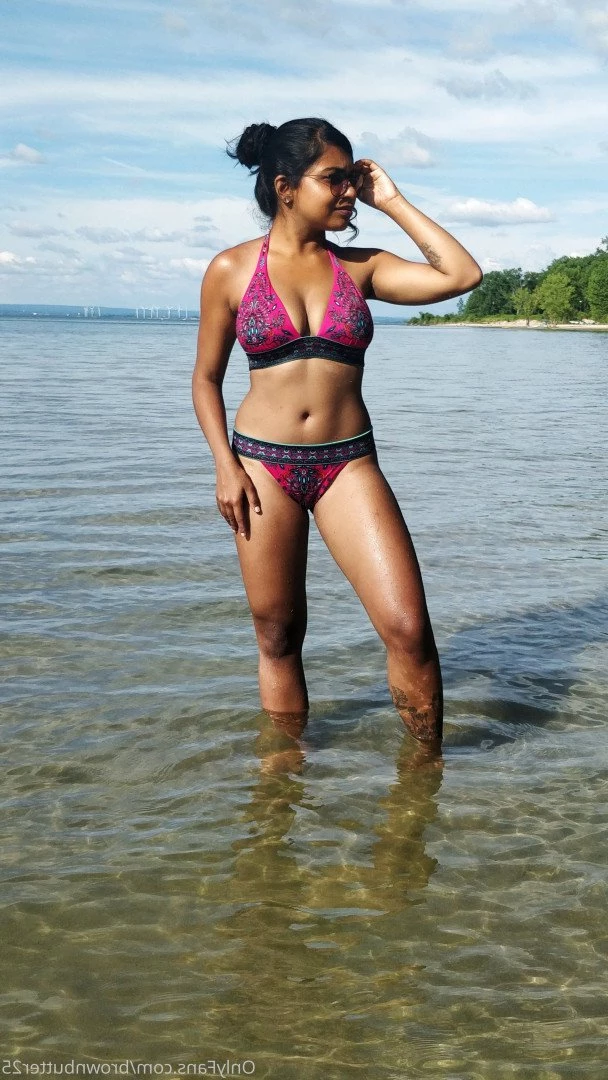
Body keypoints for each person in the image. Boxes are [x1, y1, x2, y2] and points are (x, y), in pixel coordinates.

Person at [192, 117, 482, 753]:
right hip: (261, 467)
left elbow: (461, 276)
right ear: (285, 187)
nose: (349, 191)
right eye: (334, 179)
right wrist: (224, 466)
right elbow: (206, 379)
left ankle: (425, 778)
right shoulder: (231, 270)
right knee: (278, 635)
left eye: (352, 178)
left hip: (347, 463)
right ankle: (284, 778)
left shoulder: (362, 267)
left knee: (408, 630)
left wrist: (393, 201)